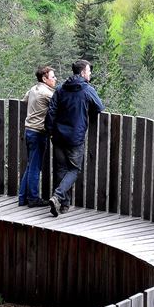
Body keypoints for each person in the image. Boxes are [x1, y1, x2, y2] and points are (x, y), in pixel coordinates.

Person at [45, 59, 105, 217]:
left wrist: (50, 131)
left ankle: (63, 205)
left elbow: (51, 112)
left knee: (61, 169)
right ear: (83, 72)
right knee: (74, 169)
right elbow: (99, 107)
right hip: (75, 137)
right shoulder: (86, 90)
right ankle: (58, 196)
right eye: (89, 71)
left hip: (58, 136)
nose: (90, 73)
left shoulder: (60, 89)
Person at [18, 65, 57, 207]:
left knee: (30, 165)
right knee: (35, 167)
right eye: (52, 77)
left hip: (28, 130)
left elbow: (24, 100)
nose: (55, 79)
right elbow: (59, 105)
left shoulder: (33, 89)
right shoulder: (47, 93)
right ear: (44, 78)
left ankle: (22, 198)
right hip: (38, 132)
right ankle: (33, 199)